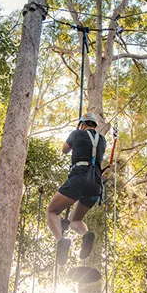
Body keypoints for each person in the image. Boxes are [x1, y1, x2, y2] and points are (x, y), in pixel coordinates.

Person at [47, 113, 106, 265]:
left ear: (82, 124)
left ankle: (61, 241)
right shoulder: (102, 140)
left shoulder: (76, 133)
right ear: (94, 125)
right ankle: (86, 234)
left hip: (79, 178)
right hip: (95, 184)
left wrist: (75, 135)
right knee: (75, 220)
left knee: (52, 211)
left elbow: (64, 149)